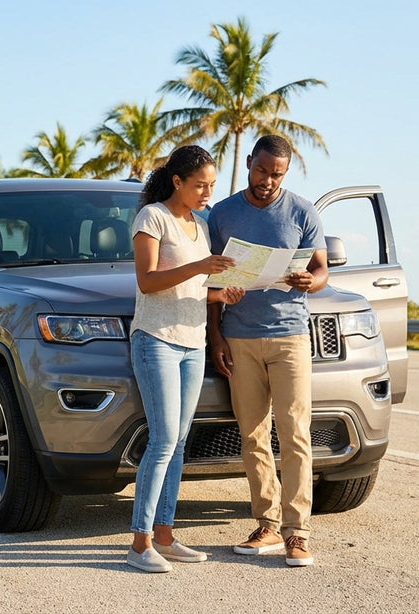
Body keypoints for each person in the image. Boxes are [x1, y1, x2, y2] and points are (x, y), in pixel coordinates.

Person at [206, 135, 329, 567]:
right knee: (253, 434)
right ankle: (267, 525)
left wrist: (309, 283)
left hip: (290, 336)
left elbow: (321, 270)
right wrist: (216, 337)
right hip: (239, 336)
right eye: (262, 171)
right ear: (249, 165)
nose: (268, 182)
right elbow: (211, 282)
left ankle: (299, 532)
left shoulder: (302, 210)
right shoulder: (221, 214)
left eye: (277, 175)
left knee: (295, 433)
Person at [126, 145, 244, 573]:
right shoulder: (152, 217)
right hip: (155, 339)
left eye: (211, 185)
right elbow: (147, 280)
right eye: (200, 185)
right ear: (177, 181)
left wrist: (219, 292)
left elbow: (192, 288)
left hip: (193, 342)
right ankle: (139, 544)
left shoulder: (200, 224)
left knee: (178, 443)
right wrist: (200, 270)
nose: (207, 193)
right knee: (161, 442)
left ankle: (164, 536)